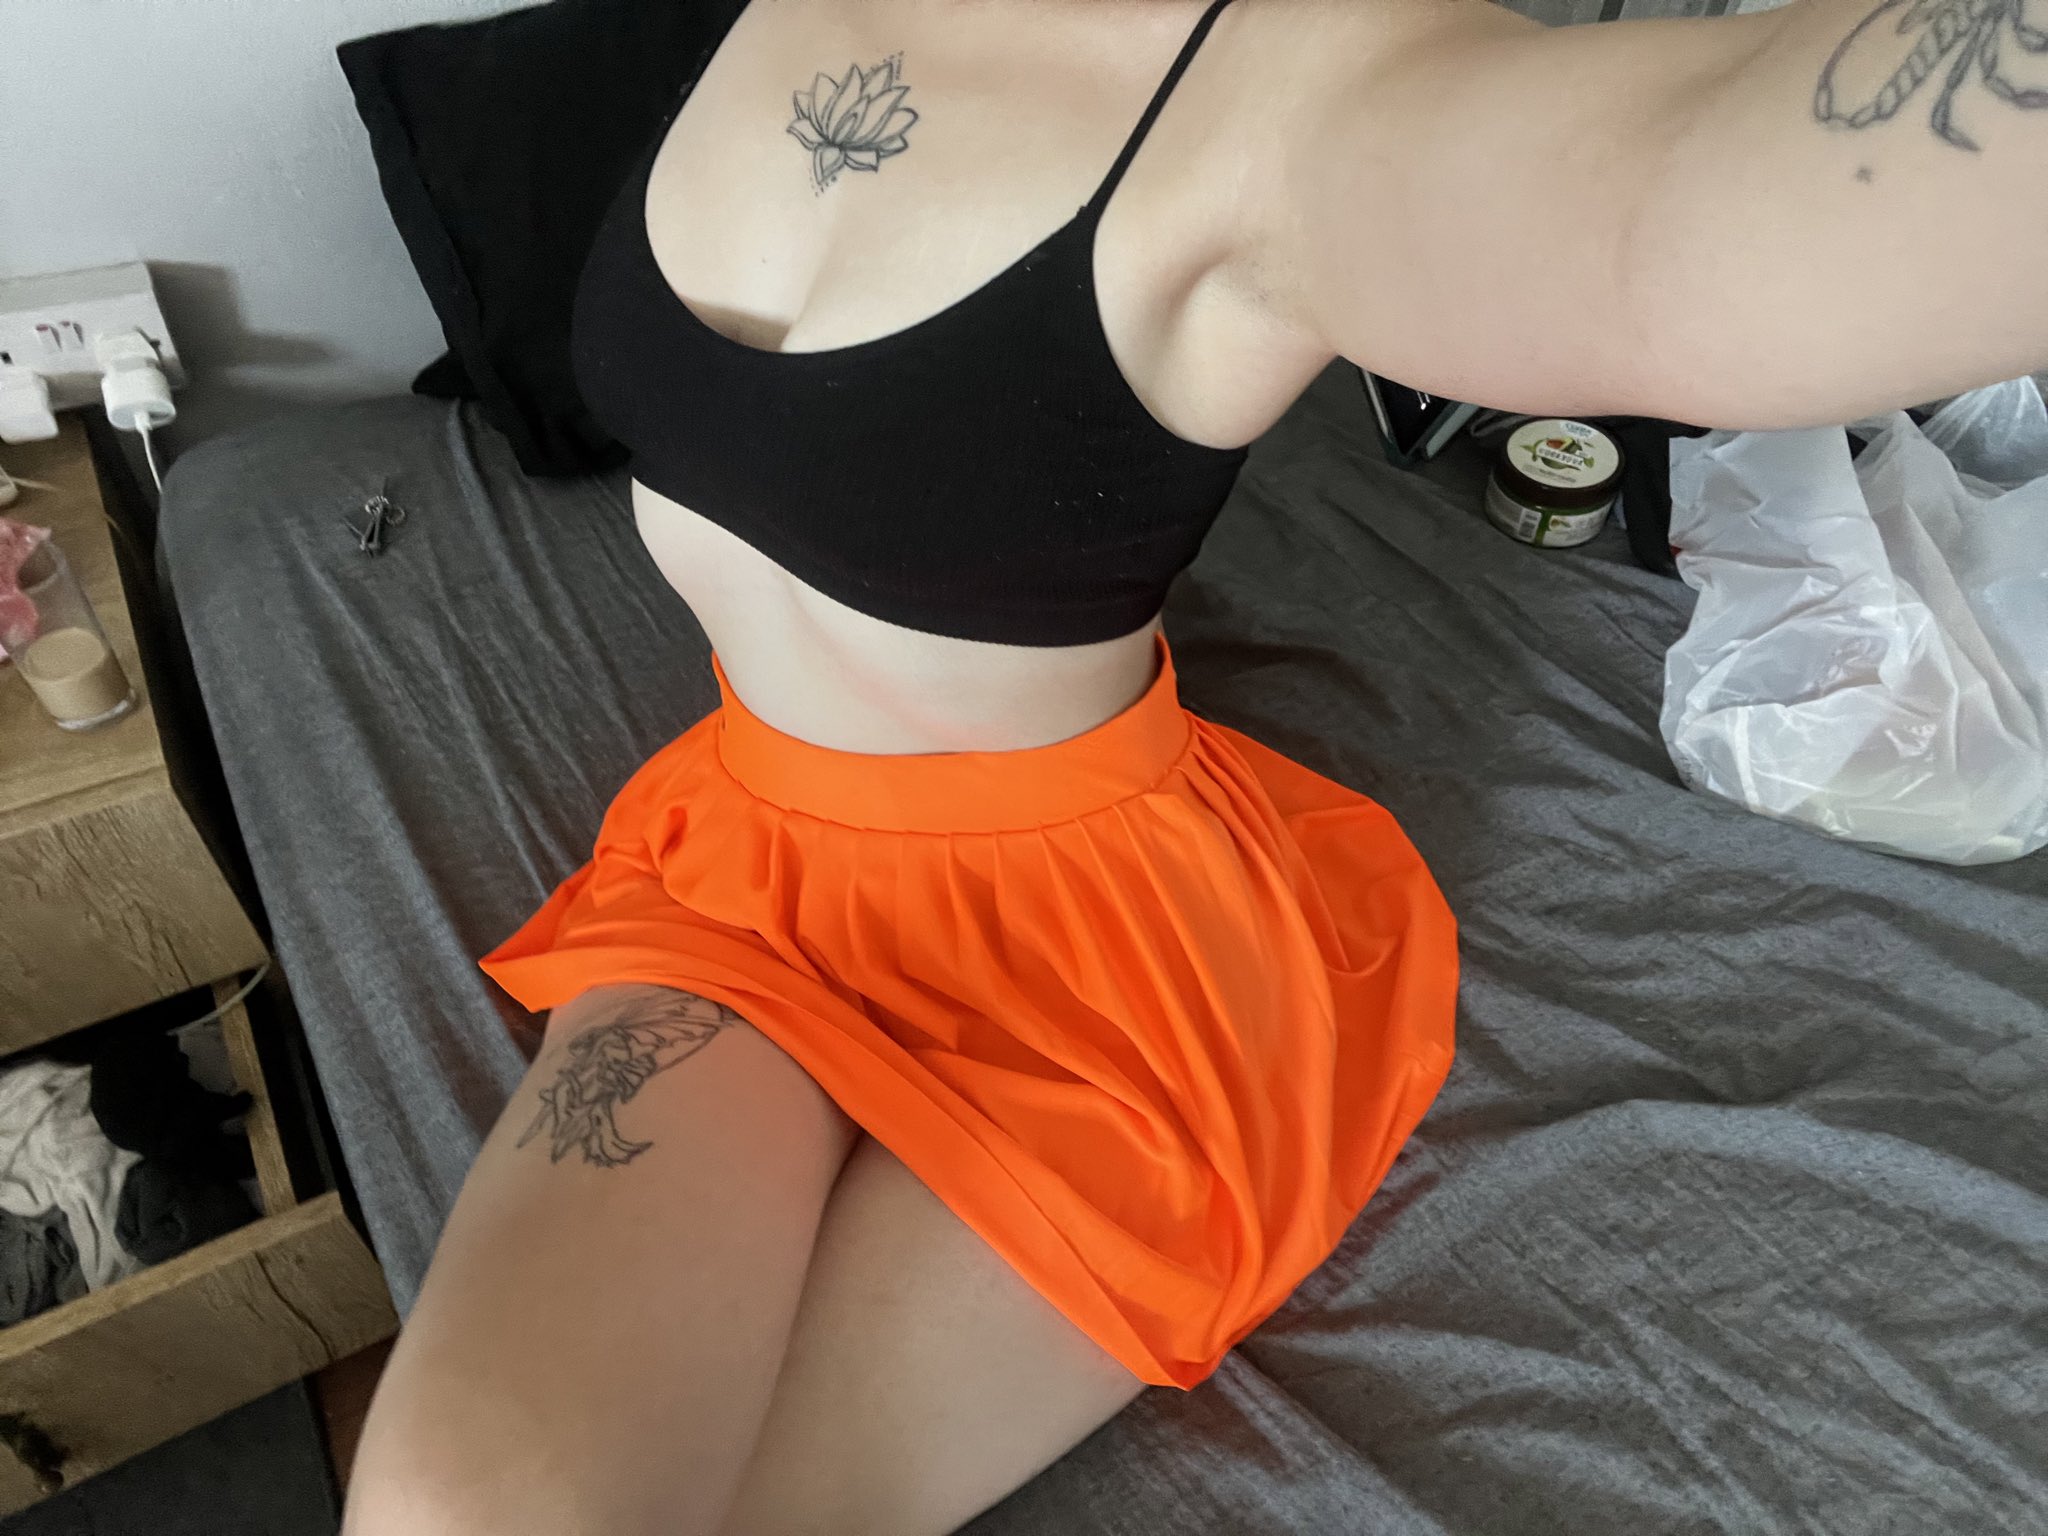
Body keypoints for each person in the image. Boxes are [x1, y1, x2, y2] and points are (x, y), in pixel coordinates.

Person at [340, 0, 2046, 1530]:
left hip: (1082, 966)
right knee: (451, 1513)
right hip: (745, 858)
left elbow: (1701, 207)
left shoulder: (1301, 88)